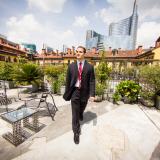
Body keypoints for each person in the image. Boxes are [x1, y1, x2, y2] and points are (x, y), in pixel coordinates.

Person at [63, 46, 95, 144]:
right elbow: (67, 80)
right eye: (76, 51)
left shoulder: (89, 67)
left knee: (82, 107)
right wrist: (67, 92)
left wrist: (92, 94)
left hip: (85, 92)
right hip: (74, 92)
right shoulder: (71, 66)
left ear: (84, 53)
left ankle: (81, 113)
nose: (77, 53)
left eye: (80, 52)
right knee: (75, 113)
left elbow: (92, 81)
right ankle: (76, 132)